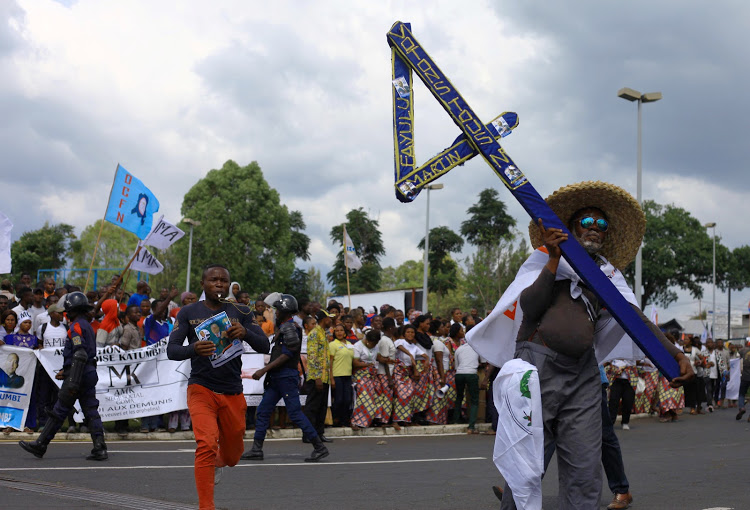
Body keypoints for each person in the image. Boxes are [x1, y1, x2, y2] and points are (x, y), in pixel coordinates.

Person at [467, 181, 693, 510]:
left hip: (584, 376)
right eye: (588, 222)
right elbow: (530, 306)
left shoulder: (606, 275)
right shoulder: (544, 259)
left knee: (585, 473)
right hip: (537, 368)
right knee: (526, 467)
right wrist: (554, 261)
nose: (596, 229)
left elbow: (635, 318)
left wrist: (675, 355)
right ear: (572, 227)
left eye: (602, 224)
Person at [166, 265, 270, 510]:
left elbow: (265, 345)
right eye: (214, 280)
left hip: (233, 391)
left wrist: (245, 333)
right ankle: (206, 506)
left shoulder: (241, 311)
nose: (219, 284)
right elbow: (172, 350)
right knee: (206, 444)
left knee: (233, 457)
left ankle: (219, 461)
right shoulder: (188, 312)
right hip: (201, 388)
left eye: (224, 280)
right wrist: (193, 349)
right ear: (203, 284)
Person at [18, 291, 109, 461]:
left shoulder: (75, 326)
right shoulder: (87, 325)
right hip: (87, 372)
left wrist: (72, 379)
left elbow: (80, 353)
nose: (65, 313)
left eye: (67, 310)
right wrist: (67, 371)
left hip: (78, 375)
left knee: (59, 411)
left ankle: (41, 444)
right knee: (91, 410)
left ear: (72, 309)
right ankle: (100, 447)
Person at [241, 293, 328, 463]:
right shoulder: (286, 326)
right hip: (278, 378)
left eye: (276, 310)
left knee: (295, 413)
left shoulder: (289, 327)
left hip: (286, 377)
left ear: (283, 311)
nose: (274, 313)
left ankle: (319, 447)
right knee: (264, 411)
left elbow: (288, 354)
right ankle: (256, 449)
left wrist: (263, 370)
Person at [302, 310, 334, 443]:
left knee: (321, 407)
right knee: (312, 407)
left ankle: (319, 434)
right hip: (317, 377)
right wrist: (317, 378)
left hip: (324, 376)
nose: (331, 321)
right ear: (323, 319)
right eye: (329, 318)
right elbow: (313, 356)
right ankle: (308, 435)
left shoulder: (323, 333)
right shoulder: (315, 333)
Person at [350, 329, 382, 430]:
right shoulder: (358, 346)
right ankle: (356, 421)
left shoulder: (375, 346)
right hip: (360, 374)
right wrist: (368, 364)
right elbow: (355, 363)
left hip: (371, 374)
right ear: (368, 341)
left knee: (378, 393)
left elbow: (378, 357)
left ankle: (372, 419)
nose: (375, 345)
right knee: (365, 395)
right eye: (374, 343)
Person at [453, 340, 484, 433]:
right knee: (474, 400)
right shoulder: (478, 348)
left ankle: (455, 420)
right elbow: (483, 362)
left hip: (459, 374)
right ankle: (471, 426)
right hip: (471, 373)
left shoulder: (459, 349)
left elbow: (456, 366)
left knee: (459, 396)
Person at [736, 342, 750, 422]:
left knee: (741, 394)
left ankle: (742, 407)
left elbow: (737, 358)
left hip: (745, 376)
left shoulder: (743, 350)